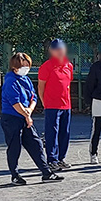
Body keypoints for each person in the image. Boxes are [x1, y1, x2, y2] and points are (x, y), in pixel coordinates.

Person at [0, 52, 64, 185]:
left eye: (27, 66)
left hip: (24, 116)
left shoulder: (26, 80)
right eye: (23, 66)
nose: (26, 69)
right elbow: (15, 103)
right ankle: (15, 175)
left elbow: (33, 97)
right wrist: (26, 115)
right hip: (12, 119)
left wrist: (29, 111)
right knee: (14, 147)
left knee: (36, 143)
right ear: (14, 67)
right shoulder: (10, 81)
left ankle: (46, 173)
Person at [38, 38, 73, 171]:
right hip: (52, 106)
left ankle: (61, 158)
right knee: (52, 133)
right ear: (51, 51)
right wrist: (45, 103)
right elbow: (41, 87)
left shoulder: (68, 66)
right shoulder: (46, 67)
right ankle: (52, 159)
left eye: (62, 49)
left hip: (66, 105)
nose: (60, 52)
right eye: (57, 49)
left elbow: (67, 84)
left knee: (65, 132)